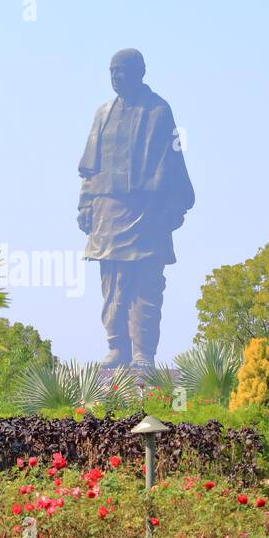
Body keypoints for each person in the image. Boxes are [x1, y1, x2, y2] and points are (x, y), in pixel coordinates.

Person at [77, 48, 194, 372]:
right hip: (108, 212)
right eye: (112, 72)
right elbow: (89, 168)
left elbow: (172, 163)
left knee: (145, 285)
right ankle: (117, 346)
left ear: (140, 72)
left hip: (147, 212)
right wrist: (85, 203)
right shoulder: (103, 113)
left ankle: (143, 353)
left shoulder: (158, 111)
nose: (116, 78)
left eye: (122, 71)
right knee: (112, 284)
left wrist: (172, 205)